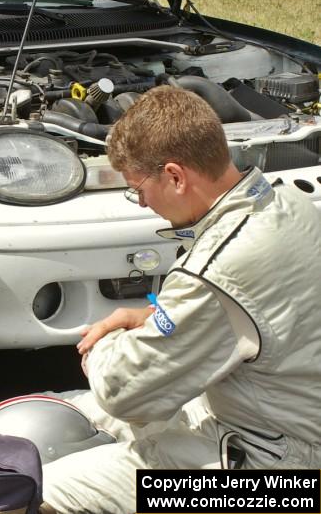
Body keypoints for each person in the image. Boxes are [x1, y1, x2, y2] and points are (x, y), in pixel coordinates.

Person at [39, 85, 321, 513]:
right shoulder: (289, 205)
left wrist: (101, 347)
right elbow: (249, 314)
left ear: (174, 175)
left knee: (38, 486)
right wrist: (152, 318)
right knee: (70, 409)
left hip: (280, 483)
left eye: (139, 189)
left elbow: (124, 391)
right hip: (282, 430)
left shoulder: (218, 268)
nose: (143, 203)